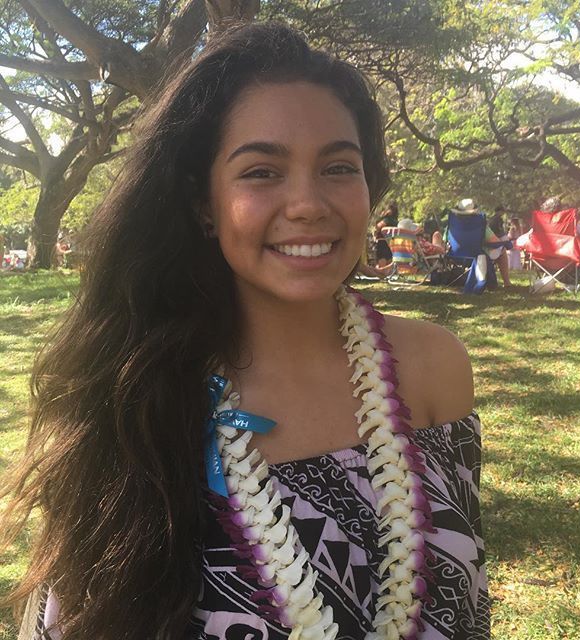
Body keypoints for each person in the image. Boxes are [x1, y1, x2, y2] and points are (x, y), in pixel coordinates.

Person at [1, 23, 488, 640]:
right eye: (261, 172)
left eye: (339, 166)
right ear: (204, 204)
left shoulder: (435, 368)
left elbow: (465, 601)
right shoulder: (135, 397)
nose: (308, 203)